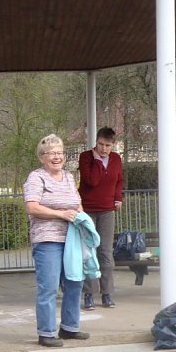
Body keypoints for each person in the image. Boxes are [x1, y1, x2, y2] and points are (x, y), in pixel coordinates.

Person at [24, 134, 89, 347]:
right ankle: (46, 332)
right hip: (47, 239)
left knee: (74, 282)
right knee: (49, 286)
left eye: (60, 152)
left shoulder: (69, 177)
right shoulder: (36, 177)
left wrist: (83, 220)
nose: (56, 157)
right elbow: (32, 207)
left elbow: (77, 204)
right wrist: (61, 214)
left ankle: (70, 327)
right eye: (51, 153)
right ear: (42, 157)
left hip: (71, 238)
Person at [79, 127, 124, 310]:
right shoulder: (86, 157)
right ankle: (89, 293)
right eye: (101, 145)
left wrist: (118, 197)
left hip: (107, 210)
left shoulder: (116, 159)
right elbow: (92, 181)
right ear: (95, 142)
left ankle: (107, 293)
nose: (104, 149)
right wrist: (98, 161)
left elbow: (119, 179)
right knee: (88, 251)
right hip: (88, 209)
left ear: (113, 145)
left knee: (105, 251)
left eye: (108, 146)